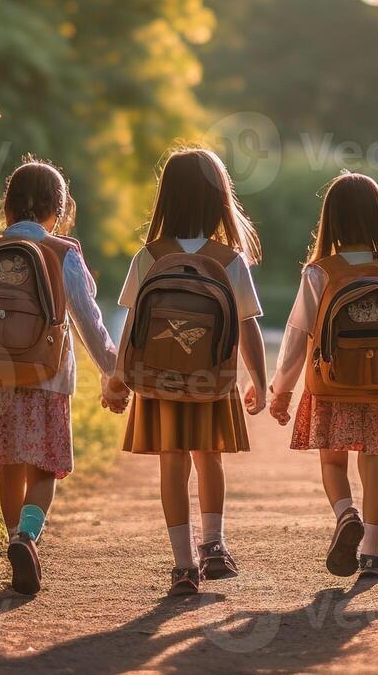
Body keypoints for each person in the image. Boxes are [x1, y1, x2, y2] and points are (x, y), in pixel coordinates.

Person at [0, 160, 129, 595]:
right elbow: (88, 319)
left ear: (6, 207)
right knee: (45, 467)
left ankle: (13, 541)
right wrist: (114, 372)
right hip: (45, 379)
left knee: (9, 468)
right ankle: (28, 535)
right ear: (59, 210)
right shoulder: (65, 253)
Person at [118, 148, 268, 596]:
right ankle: (214, 546)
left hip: (159, 380)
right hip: (211, 379)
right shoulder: (228, 259)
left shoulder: (149, 256)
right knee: (209, 458)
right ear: (219, 199)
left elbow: (132, 326)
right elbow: (248, 326)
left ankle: (183, 565)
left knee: (172, 462)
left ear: (166, 198)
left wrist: (116, 375)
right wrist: (260, 381)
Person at [270, 173, 378, 581]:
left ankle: (346, 515)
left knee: (333, 461)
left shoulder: (319, 272)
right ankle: (372, 556)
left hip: (331, 385)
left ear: (331, 221)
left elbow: (296, 337)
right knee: (375, 469)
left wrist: (281, 390)